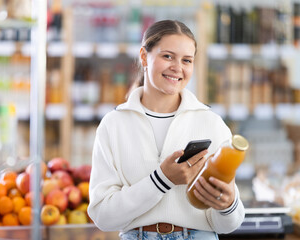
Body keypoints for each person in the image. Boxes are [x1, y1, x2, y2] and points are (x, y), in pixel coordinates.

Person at [87, 20, 245, 240]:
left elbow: (228, 225)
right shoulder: (114, 124)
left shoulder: (212, 123)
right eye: (168, 56)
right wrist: (162, 179)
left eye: (186, 60)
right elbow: (103, 217)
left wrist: (228, 205)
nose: (177, 67)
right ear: (144, 57)